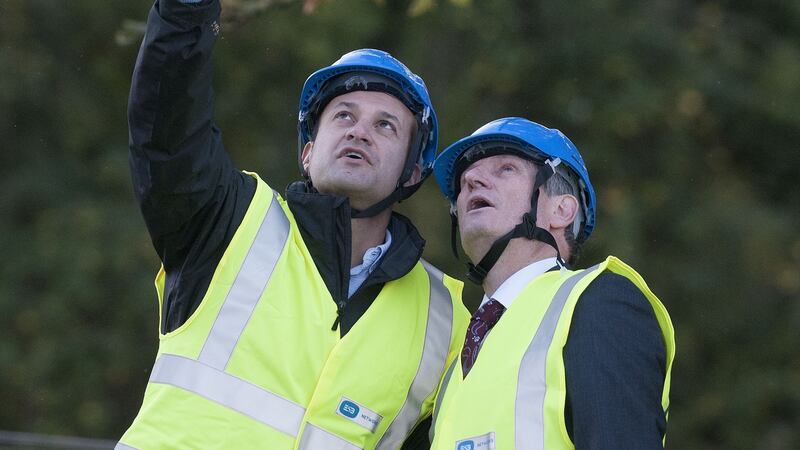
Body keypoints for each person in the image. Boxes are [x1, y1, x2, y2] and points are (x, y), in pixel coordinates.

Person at [116, 1, 468, 449]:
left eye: (385, 126)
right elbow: (167, 125)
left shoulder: (446, 322)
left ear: (414, 172)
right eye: (343, 115)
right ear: (307, 152)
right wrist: (186, 11)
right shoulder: (228, 221)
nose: (359, 132)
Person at [427, 117, 676, 449]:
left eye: (505, 169)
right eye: (464, 180)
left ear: (561, 210)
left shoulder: (598, 303)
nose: (471, 179)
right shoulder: (456, 359)